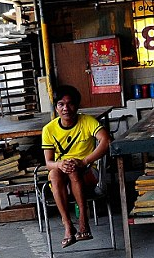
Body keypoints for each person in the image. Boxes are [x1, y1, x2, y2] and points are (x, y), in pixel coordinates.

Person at [41, 85, 111, 249]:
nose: (66, 108)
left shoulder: (87, 121)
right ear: (56, 107)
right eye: (61, 104)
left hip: (88, 172)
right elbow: (48, 162)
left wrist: (85, 161)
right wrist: (60, 164)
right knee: (54, 174)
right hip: (63, 174)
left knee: (74, 171)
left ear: (77, 105)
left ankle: (83, 222)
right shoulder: (49, 130)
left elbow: (106, 141)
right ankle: (68, 226)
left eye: (70, 104)